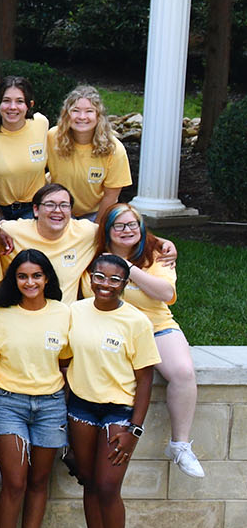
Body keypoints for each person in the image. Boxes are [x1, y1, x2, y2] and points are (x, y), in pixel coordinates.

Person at [65, 253, 158, 528]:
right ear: (90, 277)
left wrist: (135, 429)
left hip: (118, 411)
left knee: (107, 487)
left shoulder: (136, 321)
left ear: (125, 283)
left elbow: (145, 379)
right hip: (81, 407)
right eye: (100, 277)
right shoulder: (75, 312)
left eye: (115, 279)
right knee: (89, 482)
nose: (106, 284)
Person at [88, 202, 203, 478]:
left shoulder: (156, 255)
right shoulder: (92, 255)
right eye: (119, 225)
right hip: (110, 331)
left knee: (184, 372)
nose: (127, 230)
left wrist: (126, 267)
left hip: (156, 328)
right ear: (107, 229)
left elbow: (166, 293)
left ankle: (180, 446)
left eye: (133, 225)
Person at [0, 252, 70, 528]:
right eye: (23, 276)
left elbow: (66, 361)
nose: (30, 282)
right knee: (15, 481)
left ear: (47, 278)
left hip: (51, 404)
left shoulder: (63, 313)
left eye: (37, 276)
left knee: (39, 481)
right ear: (14, 280)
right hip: (8, 403)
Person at [48, 85, 130, 218]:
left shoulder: (114, 149)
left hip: (93, 213)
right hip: (56, 209)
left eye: (89, 111)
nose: (82, 117)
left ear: (99, 116)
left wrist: (97, 226)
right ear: (66, 114)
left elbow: (111, 197)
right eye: (75, 110)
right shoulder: (53, 137)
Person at [0, 77, 50, 219]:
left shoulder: (41, 123)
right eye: (6, 101)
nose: (12, 107)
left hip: (33, 208)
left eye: (19, 101)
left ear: (29, 105)